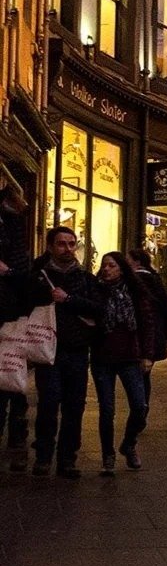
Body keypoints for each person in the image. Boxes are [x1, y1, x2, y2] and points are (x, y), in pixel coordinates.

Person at [31, 226, 103, 478]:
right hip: (47, 350)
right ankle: (43, 456)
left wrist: (69, 299)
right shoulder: (38, 276)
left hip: (77, 350)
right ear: (51, 246)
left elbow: (98, 309)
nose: (68, 249)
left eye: (72, 244)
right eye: (62, 244)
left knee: (75, 406)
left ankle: (67, 459)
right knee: (48, 404)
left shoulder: (84, 278)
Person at [91, 252, 154, 473]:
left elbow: (147, 324)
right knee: (106, 410)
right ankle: (108, 455)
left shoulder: (135, 293)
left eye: (112, 265)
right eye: (104, 266)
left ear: (121, 269)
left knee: (140, 406)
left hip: (130, 357)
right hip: (102, 359)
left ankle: (128, 444)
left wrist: (148, 355)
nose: (106, 269)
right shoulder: (96, 290)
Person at [0, 181, 34, 471]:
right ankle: (16, 433)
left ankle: (17, 432)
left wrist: (7, 271)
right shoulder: (13, 223)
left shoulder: (12, 224)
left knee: (11, 373)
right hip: (11, 313)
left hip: (10, 315)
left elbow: (23, 273)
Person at [126, 248, 167, 421]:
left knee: (135, 376)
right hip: (154, 336)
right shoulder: (156, 280)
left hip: (137, 336)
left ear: (137, 262)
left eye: (127, 259)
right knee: (144, 376)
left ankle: (139, 411)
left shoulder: (134, 282)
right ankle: (142, 409)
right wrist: (164, 334)